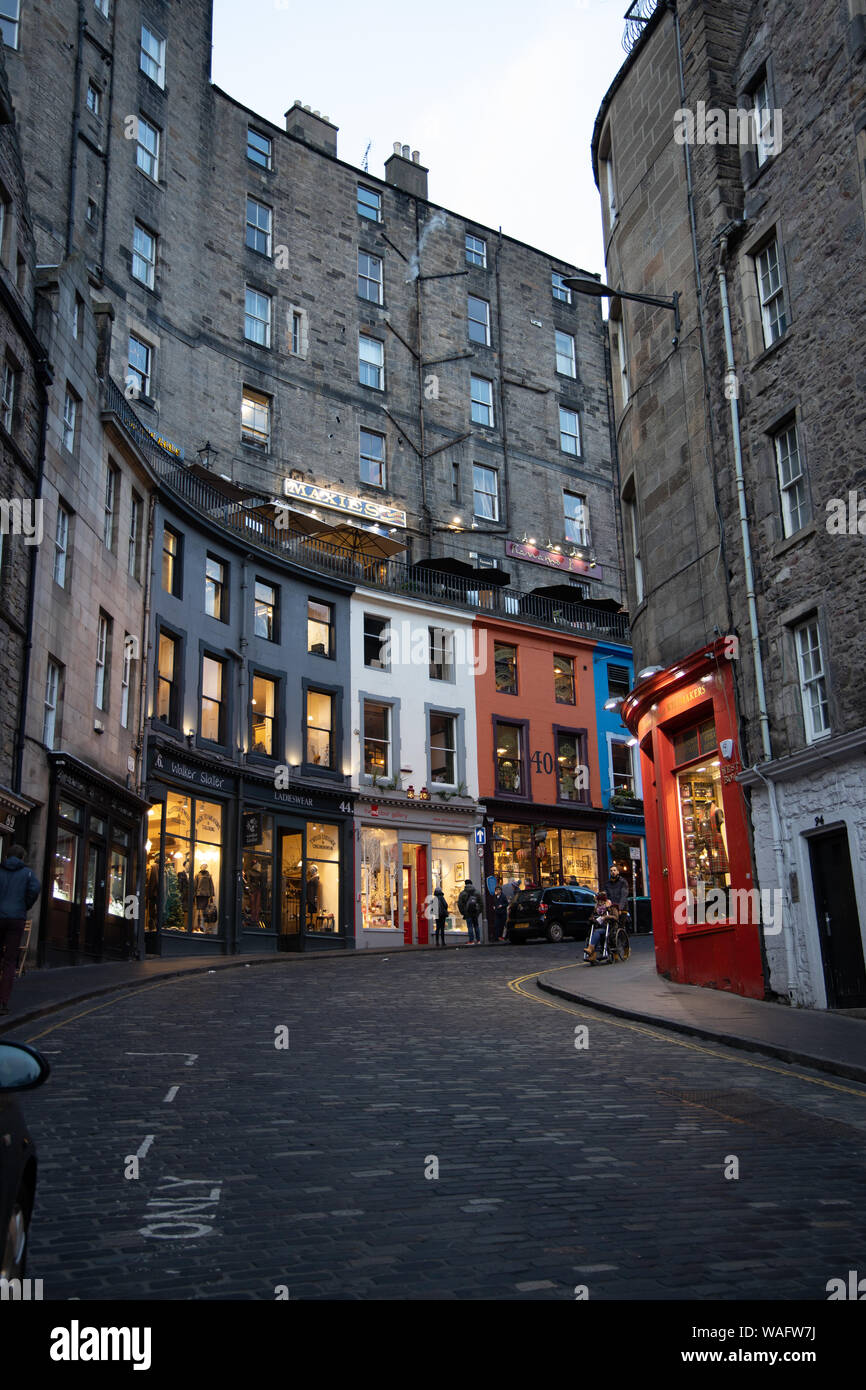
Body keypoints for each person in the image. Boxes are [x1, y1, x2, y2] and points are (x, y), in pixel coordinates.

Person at [0, 845, 41, 1014]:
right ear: (22, 858)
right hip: (16, 918)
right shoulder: (28, 874)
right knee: (10, 961)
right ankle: (2, 1002)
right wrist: (25, 905)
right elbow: (35, 889)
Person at [584, 891, 618, 963]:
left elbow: (616, 917)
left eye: (601, 901)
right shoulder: (596, 908)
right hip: (599, 926)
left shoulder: (611, 907)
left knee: (597, 932)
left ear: (605, 901)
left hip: (610, 927)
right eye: (599, 901)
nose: (600, 903)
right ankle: (592, 954)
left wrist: (606, 917)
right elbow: (592, 916)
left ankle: (591, 949)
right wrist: (592, 919)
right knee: (594, 933)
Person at [457, 880, 482, 945]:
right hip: (475, 912)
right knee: (476, 926)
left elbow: (460, 904)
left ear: (465, 884)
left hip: (467, 913)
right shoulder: (477, 892)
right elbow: (481, 903)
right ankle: (478, 940)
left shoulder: (463, 893)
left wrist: (463, 912)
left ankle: (471, 941)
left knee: (470, 926)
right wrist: (479, 911)